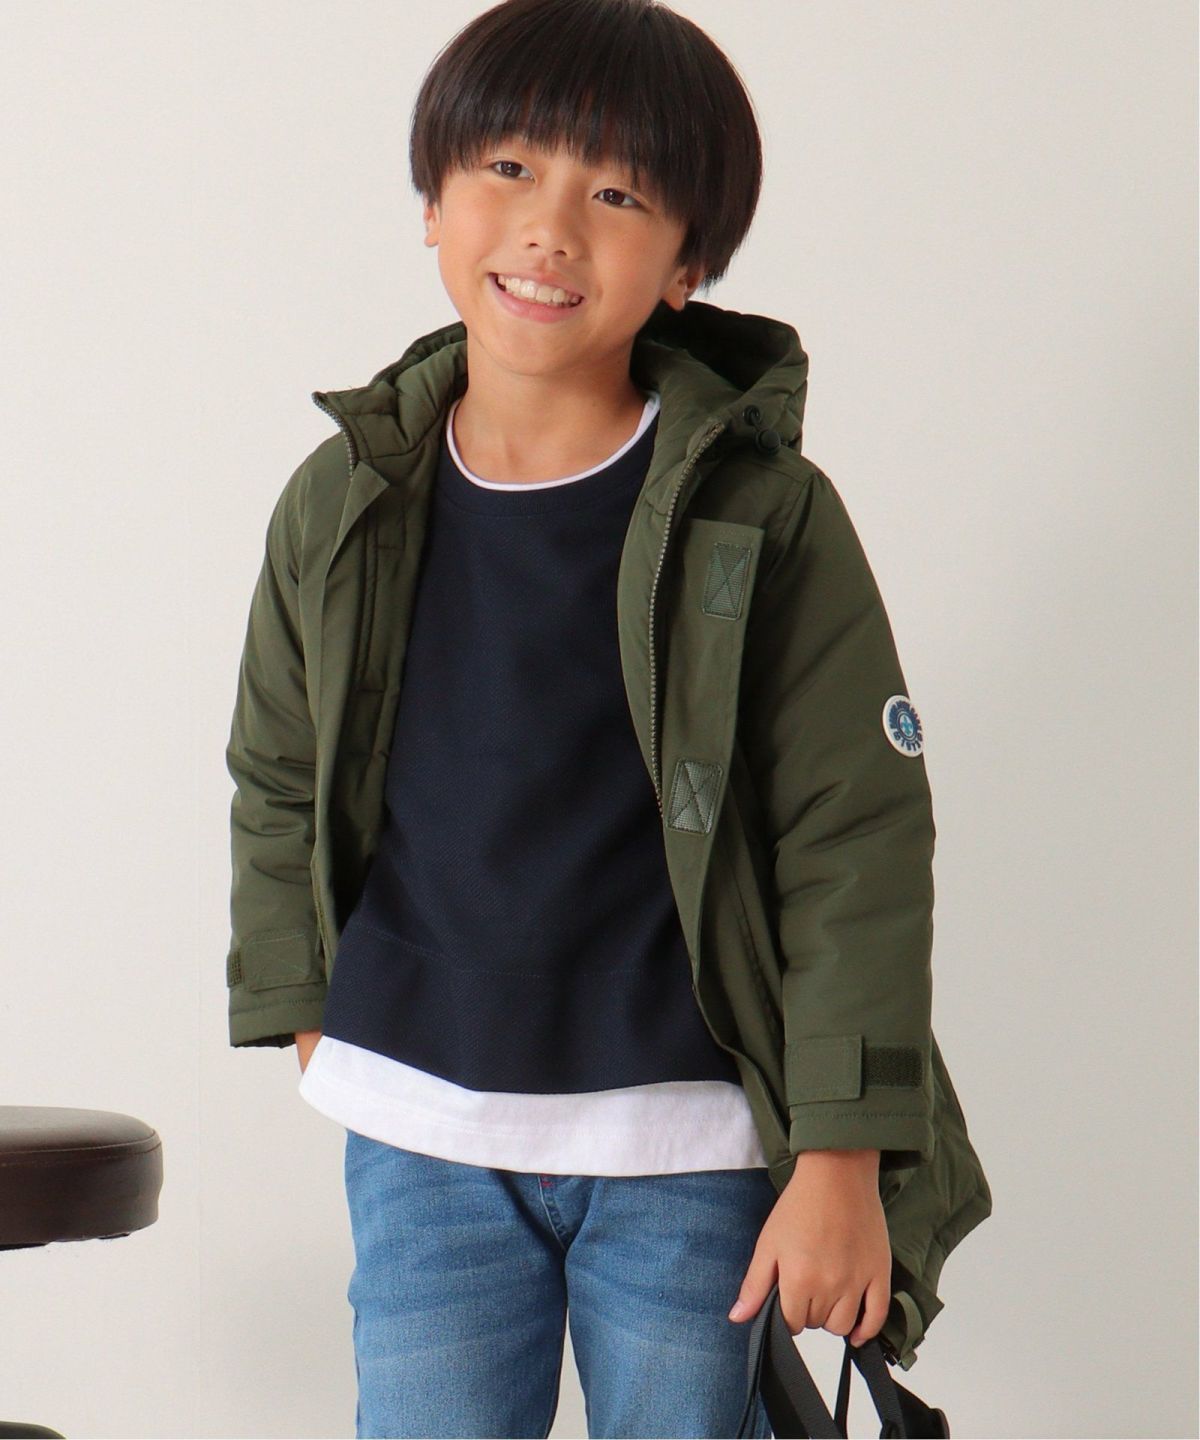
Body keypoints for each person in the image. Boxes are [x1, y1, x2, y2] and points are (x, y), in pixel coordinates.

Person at [223, 0, 992, 1435]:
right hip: (421, 1128)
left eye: (619, 196)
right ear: (434, 201)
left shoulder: (762, 517)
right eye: (509, 169)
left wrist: (840, 1157)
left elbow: (856, 840)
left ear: (689, 263)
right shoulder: (345, 500)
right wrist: (303, 1009)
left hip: (690, 1141)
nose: (551, 229)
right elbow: (277, 765)